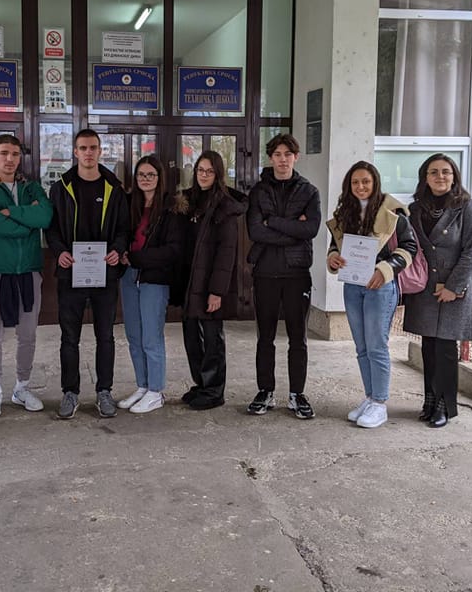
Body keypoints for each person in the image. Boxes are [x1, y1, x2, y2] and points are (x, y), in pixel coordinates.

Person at [327, 161, 418, 428]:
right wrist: (333, 257)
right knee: (362, 347)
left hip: (380, 286)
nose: (361, 187)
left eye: (365, 181)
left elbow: (409, 247)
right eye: (355, 182)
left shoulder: (393, 213)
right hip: (353, 286)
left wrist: (385, 269)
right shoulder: (345, 213)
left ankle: (380, 403)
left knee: (377, 346)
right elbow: (335, 245)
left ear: (375, 182)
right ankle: (369, 398)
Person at [46, 129, 129, 419]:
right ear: (75, 152)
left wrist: (118, 249)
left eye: (93, 147)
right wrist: (59, 252)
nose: (89, 153)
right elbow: (51, 229)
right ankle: (70, 392)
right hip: (71, 274)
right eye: (83, 148)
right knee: (70, 337)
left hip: (105, 274)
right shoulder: (61, 188)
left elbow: (123, 229)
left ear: (100, 151)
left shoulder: (114, 188)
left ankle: (104, 391)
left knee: (105, 336)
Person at [0, 134, 52, 418]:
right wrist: (26, 224)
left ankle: (22, 387)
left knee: (27, 334)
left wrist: (11, 212)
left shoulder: (31, 188)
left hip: (28, 270)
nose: (10, 159)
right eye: (4, 153)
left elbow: (45, 217)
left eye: (15, 154)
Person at [245, 133, 322, 420]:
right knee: (264, 337)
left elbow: (311, 229)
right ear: (270, 158)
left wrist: (273, 222)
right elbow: (255, 231)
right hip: (265, 272)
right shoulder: (258, 191)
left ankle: (296, 394)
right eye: (277, 154)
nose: (282, 159)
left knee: (297, 338)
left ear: (296, 157)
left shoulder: (309, 191)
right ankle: (265, 391)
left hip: (297, 273)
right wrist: (292, 229)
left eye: (287, 154)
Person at [403, 154, 472, 428]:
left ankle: (445, 407)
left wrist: (453, 287)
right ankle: (429, 400)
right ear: (425, 178)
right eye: (434, 172)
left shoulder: (466, 206)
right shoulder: (414, 209)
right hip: (426, 286)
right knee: (429, 346)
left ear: (454, 176)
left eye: (446, 172)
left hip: (453, 288)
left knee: (446, 347)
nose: (440, 177)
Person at [173, 150, 247, 410]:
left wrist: (217, 291)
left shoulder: (224, 206)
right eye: (200, 170)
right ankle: (201, 384)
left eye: (209, 171)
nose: (203, 175)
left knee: (212, 339)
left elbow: (227, 253)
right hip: (190, 281)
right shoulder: (188, 200)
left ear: (218, 174)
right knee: (192, 337)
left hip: (210, 283)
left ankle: (214, 390)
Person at [118, 155, 181, 414]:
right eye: (141, 175)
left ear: (159, 178)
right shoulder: (129, 204)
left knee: (151, 337)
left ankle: (156, 390)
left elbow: (172, 250)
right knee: (133, 335)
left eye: (151, 175)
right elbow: (121, 234)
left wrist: (136, 257)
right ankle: (142, 385)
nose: (145, 179)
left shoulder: (171, 209)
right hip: (128, 276)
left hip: (154, 278)